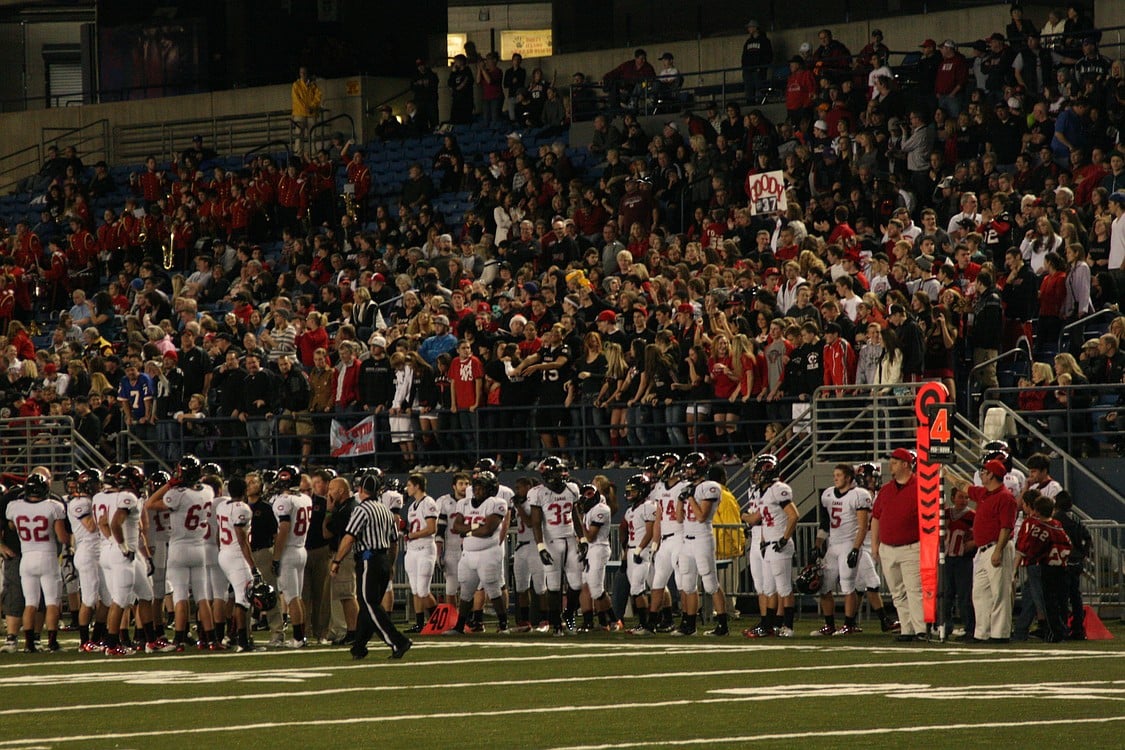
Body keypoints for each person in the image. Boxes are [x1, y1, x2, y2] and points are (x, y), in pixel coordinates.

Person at [329, 472, 412, 660]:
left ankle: (397, 640)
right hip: (383, 560)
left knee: (369, 603)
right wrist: (390, 565)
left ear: (360, 489)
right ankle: (359, 646)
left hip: (368, 559)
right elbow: (394, 542)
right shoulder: (385, 510)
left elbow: (349, 537)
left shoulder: (361, 509)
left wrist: (336, 561)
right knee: (368, 607)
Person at [145, 455, 219, 651]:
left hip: (179, 548)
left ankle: (178, 639)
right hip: (199, 547)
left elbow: (150, 503)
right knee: (202, 596)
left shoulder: (177, 494)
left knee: (180, 597)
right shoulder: (208, 491)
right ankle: (211, 639)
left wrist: (169, 484)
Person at [950, 458, 1017, 643]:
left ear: (992, 475)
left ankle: (1000, 634)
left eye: (984, 471)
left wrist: (998, 550)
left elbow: (1006, 527)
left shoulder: (1005, 497)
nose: (981, 474)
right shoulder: (985, 493)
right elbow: (964, 486)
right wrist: (946, 473)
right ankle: (982, 633)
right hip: (983, 549)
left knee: (999, 593)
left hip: (997, 547)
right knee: (980, 593)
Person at [4, 473, 67, 652]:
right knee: (52, 602)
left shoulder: (14, 506)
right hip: (47, 556)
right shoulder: (53, 506)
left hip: (26, 557)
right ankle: (52, 643)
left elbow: (11, 526)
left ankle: (29, 644)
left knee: (30, 602)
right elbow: (62, 536)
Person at [444, 470, 509, 634]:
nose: (476, 490)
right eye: (476, 487)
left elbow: (488, 529)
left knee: (493, 588)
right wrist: (474, 529)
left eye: (481, 487)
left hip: (488, 552)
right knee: (465, 590)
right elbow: (456, 527)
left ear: (490, 489)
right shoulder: (464, 503)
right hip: (468, 553)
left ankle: (503, 625)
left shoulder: (497, 503)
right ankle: (459, 626)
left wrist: (467, 531)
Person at [871, 447, 926, 642]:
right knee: (897, 592)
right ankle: (907, 629)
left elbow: (929, 519)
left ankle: (920, 629)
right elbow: (876, 517)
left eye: (894, 462)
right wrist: (874, 544)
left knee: (914, 590)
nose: (890, 466)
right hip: (888, 547)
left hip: (911, 546)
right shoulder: (886, 490)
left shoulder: (920, 487)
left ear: (906, 465)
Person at [809, 464, 871, 636]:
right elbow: (824, 523)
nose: (835, 478)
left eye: (838, 475)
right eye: (834, 474)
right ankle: (829, 625)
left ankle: (848, 625)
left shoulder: (859, 495)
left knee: (847, 585)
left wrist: (855, 549)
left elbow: (862, 526)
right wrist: (817, 544)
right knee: (824, 586)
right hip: (833, 545)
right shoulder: (828, 494)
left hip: (848, 544)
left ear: (849, 478)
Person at [741, 453, 798, 638]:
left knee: (784, 588)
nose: (755, 476)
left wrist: (784, 538)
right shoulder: (764, 492)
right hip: (768, 544)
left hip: (780, 545)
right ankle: (768, 626)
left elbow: (793, 515)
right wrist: (764, 541)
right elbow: (761, 520)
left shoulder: (778, 489)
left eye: (758, 472)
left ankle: (788, 627)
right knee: (768, 588)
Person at [528, 456, 582, 635]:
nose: (562, 474)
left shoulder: (572, 489)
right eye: (558, 471)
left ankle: (569, 615)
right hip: (551, 542)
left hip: (570, 539)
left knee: (576, 584)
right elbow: (536, 522)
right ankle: (556, 623)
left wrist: (583, 539)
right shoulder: (538, 493)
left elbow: (575, 515)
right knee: (553, 586)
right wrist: (540, 546)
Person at [214, 475, 263, 652]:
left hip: (224, 553)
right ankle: (242, 640)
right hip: (236, 555)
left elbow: (218, 532)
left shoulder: (221, 506)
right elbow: (242, 540)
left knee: (234, 597)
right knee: (243, 599)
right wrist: (253, 566)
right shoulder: (242, 508)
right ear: (244, 491)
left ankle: (231, 635)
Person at [270, 465, 313, 648]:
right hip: (301, 549)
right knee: (297, 596)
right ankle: (301, 636)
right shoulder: (305, 498)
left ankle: (297, 638)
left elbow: (284, 529)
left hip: (288, 550)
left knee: (291, 597)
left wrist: (276, 557)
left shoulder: (284, 500)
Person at [577, 483, 618, 632]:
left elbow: (590, 536)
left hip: (599, 547)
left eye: (588, 494)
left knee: (596, 588)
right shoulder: (590, 510)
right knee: (586, 584)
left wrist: (579, 519)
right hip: (590, 550)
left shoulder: (601, 509)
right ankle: (600, 622)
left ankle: (613, 620)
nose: (585, 498)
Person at [402, 474, 439, 634]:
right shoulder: (412, 506)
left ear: (417, 486)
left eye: (409, 485)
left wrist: (412, 535)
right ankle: (419, 623)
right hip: (412, 550)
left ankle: (437, 619)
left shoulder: (428, 502)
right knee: (415, 589)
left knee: (423, 590)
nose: (407, 488)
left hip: (425, 549)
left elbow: (431, 529)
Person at [620, 475, 655, 634]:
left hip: (643, 550)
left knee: (637, 588)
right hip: (632, 550)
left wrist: (640, 550)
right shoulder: (630, 511)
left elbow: (650, 532)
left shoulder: (648, 506)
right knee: (636, 588)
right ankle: (644, 623)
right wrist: (624, 556)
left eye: (633, 491)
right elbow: (628, 535)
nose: (630, 494)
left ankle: (646, 624)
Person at [291, 67, 323, 158]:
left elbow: (318, 96)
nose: (303, 74)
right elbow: (296, 99)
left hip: (311, 113)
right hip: (300, 114)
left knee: (312, 136)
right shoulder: (296, 85)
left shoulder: (313, 85)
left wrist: (312, 106)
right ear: (299, 74)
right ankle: (298, 154)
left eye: (305, 72)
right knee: (298, 136)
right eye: (301, 72)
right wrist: (308, 107)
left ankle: (313, 155)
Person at [741, 20, 773, 104]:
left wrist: (761, 67)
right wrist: (744, 68)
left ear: (755, 28)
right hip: (748, 70)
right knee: (749, 89)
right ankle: (750, 103)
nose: (748, 29)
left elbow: (768, 55)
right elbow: (744, 56)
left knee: (760, 88)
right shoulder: (748, 42)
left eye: (750, 27)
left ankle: (761, 103)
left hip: (758, 70)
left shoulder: (764, 41)